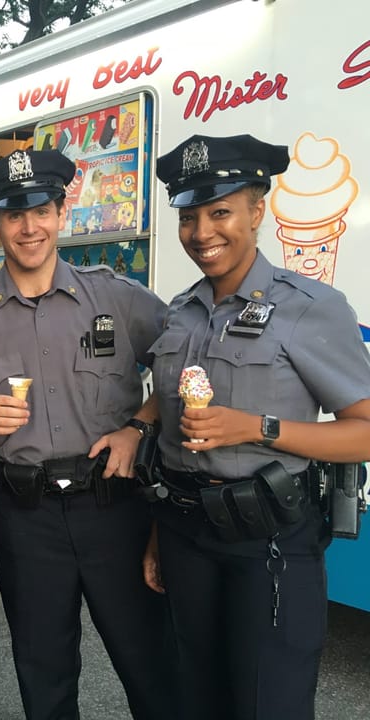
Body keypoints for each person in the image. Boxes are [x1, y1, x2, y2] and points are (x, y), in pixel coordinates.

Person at [0, 149, 174, 720]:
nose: (28, 227)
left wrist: (138, 426)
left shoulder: (116, 297)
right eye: (13, 214)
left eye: (40, 210)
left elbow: (186, 363)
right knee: (43, 668)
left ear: (62, 213)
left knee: (149, 660)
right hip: (23, 515)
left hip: (113, 506)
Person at [145, 134, 370, 720]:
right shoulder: (181, 310)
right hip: (184, 527)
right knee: (197, 688)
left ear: (256, 211)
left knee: (268, 699)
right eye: (188, 217)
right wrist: (156, 534)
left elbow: (365, 428)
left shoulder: (310, 307)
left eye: (220, 212)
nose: (202, 233)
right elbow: (169, 429)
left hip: (267, 537)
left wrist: (257, 427)